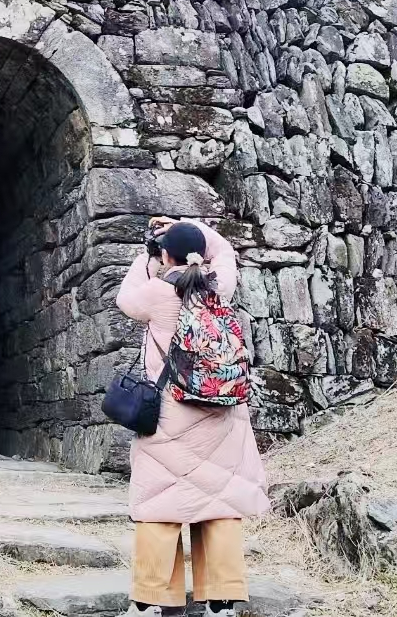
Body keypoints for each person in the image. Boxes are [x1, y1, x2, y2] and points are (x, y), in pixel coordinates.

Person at [116, 216, 269, 617]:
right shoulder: (219, 284)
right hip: (222, 413)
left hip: (170, 414)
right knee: (220, 506)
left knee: (159, 507)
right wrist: (190, 225)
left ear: (168, 256)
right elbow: (225, 251)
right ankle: (221, 602)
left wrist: (149, 254)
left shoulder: (156, 293)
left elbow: (124, 298)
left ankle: (151, 603)